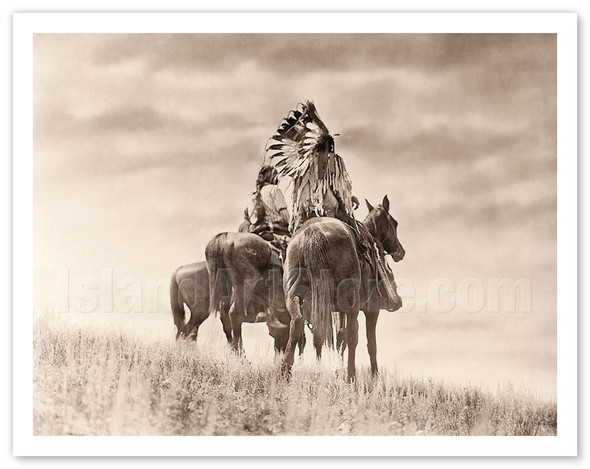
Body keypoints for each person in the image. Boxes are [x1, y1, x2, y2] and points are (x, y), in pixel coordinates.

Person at [247, 165, 291, 255]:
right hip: (277, 230)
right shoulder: (274, 189)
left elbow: (252, 219)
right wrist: (293, 226)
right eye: (275, 175)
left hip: (257, 231)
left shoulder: (253, 196)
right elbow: (284, 214)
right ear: (272, 177)